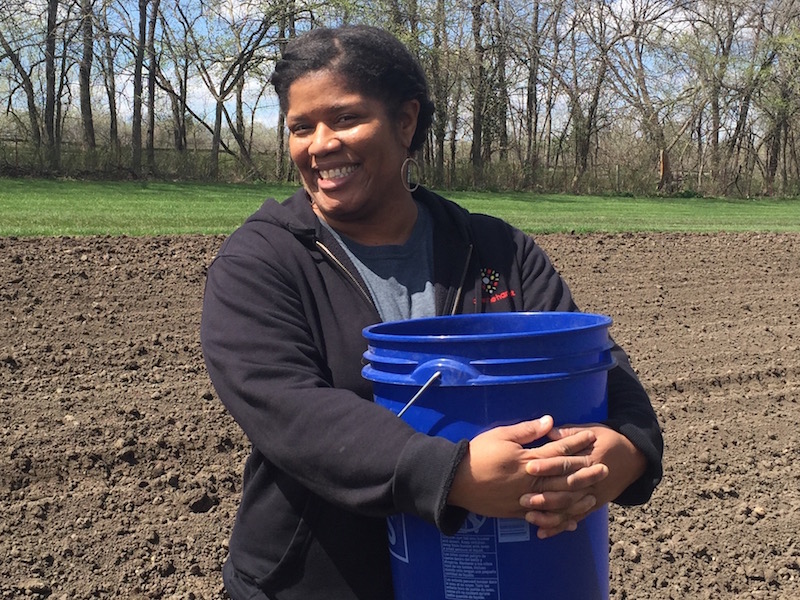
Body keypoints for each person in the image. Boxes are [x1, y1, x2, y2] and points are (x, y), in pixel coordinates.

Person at [200, 24, 663, 600]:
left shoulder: (497, 250)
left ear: (406, 120)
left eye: (345, 118)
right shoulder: (261, 261)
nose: (319, 144)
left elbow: (597, 363)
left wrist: (629, 449)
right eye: (301, 127)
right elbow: (291, 411)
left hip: (496, 579)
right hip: (319, 583)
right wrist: (452, 475)